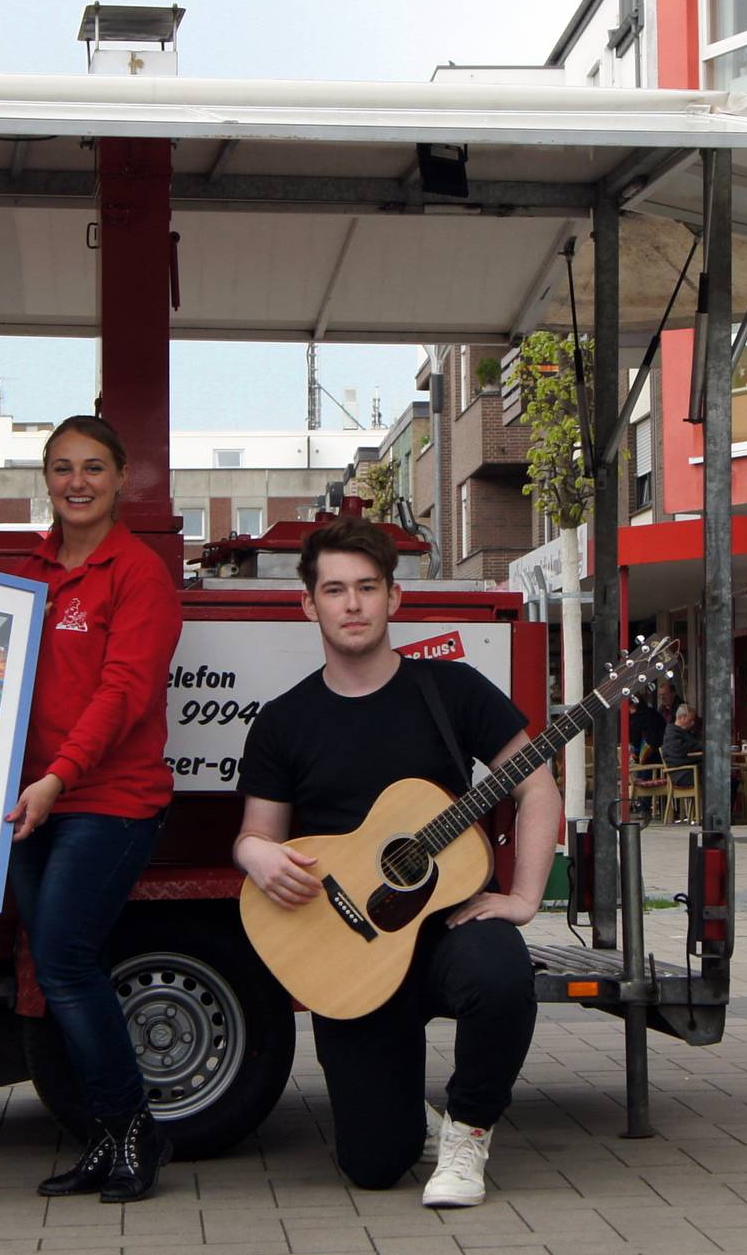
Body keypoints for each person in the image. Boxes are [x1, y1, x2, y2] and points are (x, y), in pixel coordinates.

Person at [234, 517, 561, 1209]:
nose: (352, 604)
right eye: (335, 590)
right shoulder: (284, 721)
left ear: (394, 598)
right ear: (307, 603)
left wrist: (525, 896)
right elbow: (253, 835)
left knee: (503, 969)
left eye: (366, 588)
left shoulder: (453, 692)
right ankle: (398, 1108)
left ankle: (468, 1130)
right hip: (351, 947)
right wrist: (258, 853)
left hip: (445, 930)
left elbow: (536, 786)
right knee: (376, 1164)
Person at [4, 414, 183, 1203]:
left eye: (94, 468)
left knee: (66, 958)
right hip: (34, 803)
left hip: (108, 801)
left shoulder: (136, 573)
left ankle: (135, 1128)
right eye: (62, 468)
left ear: (121, 479)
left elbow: (123, 694)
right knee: (53, 966)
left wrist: (59, 777)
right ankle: (106, 1139)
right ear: (45, 478)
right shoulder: (31, 572)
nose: (77, 482)